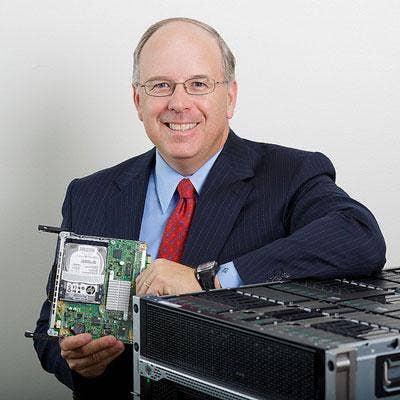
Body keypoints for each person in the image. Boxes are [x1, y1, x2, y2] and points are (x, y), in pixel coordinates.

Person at [34, 17, 386, 399]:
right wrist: (80, 362)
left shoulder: (289, 175)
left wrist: (212, 283)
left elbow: (359, 236)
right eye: (161, 85)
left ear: (230, 97)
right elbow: (48, 333)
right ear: (138, 101)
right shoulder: (91, 194)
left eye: (198, 84)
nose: (179, 103)